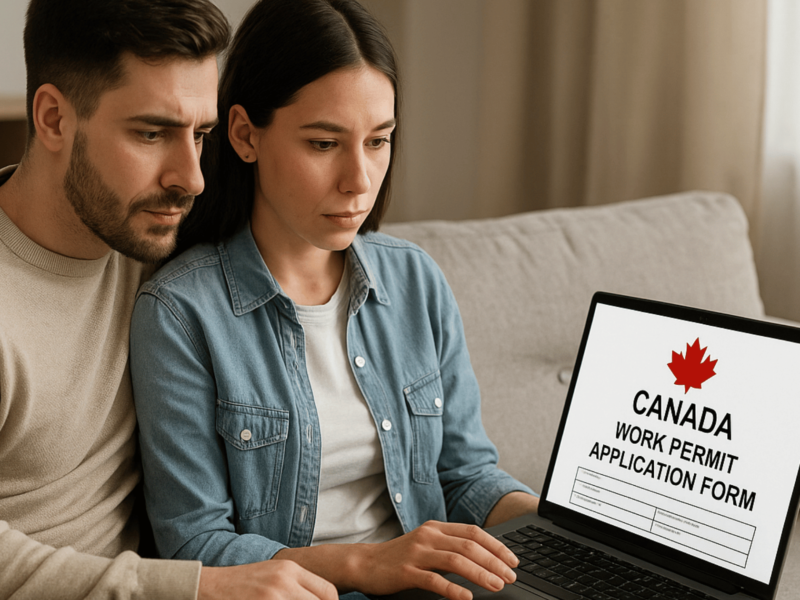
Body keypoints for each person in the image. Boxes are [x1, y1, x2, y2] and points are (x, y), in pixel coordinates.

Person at [130, 0, 540, 598]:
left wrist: (554, 523)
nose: (359, 180)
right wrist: (368, 564)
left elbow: (466, 474)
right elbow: (198, 545)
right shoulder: (180, 313)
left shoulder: (415, 282)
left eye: (378, 141)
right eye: (324, 144)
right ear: (245, 135)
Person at [0, 0, 337, 598]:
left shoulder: (158, 235)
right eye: (151, 133)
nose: (192, 177)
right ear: (53, 119)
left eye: (201, 134)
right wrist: (197, 588)